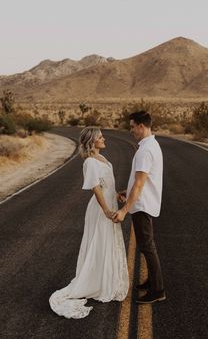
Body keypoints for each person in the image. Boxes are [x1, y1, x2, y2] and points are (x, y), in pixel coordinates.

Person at [49, 127, 129, 319]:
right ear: (92, 141)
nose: (104, 139)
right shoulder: (91, 162)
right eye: (100, 137)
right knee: (98, 244)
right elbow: (96, 189)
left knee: (107, 244)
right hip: (100, 209)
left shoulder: (103, 159)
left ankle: (104, 281)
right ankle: (95, 283)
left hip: (108, 203)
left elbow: (106, 186)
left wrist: (117, 195)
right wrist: (107, 210)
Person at [113, 111, 166, 304]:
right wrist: (127, 191)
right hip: (143, 201)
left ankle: (158, 289)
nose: (131, 130)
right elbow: (141, 181)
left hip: (142, 205)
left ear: (141, 126)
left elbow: (139, 183)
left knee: (147, 247)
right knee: (146, 246)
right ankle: (152, 281)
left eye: (132, 126)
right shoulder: (151, 145)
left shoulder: (145, 150)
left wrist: (124, 210)